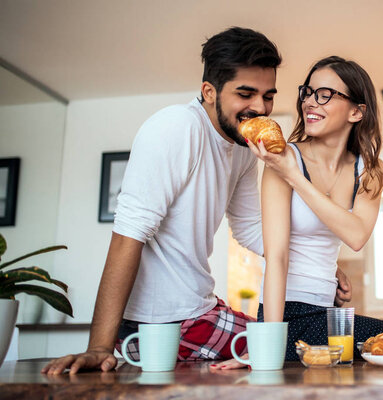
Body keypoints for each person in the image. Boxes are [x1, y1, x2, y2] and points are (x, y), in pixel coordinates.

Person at [42, 27, 350, 375]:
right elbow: (129, 234)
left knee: (298, 346)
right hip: (161, 324)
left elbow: (251, 229)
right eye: (245, 94)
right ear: (208, 91)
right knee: (296, 348)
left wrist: (319, 263)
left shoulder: (244, 150)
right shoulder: (176, 128)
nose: (260, 107)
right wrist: (99, 346)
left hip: (199, 310)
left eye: (267, 95)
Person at [213, 56, 383, 370]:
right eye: (307, 92)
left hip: (328, 316)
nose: (310, 102)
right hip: (287, 317)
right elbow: (278, 256)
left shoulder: (369, 169)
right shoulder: (283, 157)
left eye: (324, 94)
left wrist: (294, 176)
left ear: (356, 111)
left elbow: (355, 235)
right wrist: (268, 345)